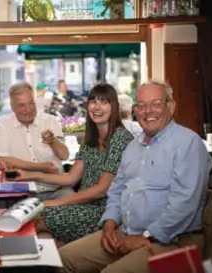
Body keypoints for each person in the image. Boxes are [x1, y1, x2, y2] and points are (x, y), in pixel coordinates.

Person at [59, 81, 212, 273]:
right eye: (141, 105)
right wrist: (109, 224)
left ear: (171, 106)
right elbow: (116, 191)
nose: (148, 111)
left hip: (173, 239)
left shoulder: (188, 143)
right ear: (135, 110)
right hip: (125, 232)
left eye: (156, 104)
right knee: (62, 259)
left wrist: (144, 237)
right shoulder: (133, 146)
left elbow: (184, 205)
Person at [17, 83, 133, 246]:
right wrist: (29, 175)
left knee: (36, 217)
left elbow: (101, 191)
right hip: (85, 205)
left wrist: (51, 204)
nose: (97, 107)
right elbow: (71, 178)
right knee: (35, 220)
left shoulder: (120, 138)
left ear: (114, 107)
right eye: (93, 101)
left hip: (106, 212)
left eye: (104, 102)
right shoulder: (91, 140)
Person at [0, 82, 71, 200]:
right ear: (12, 106)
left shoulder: (50, 121)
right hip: (22, 193)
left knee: (74, 207)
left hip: (57, 189)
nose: (28, 109)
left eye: (31, 103)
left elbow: (64, 155)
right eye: (22, 105)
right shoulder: (2, 124)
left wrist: (53, 141)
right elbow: (4, 158)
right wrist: (40, 167)